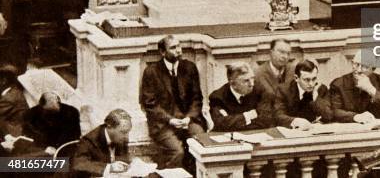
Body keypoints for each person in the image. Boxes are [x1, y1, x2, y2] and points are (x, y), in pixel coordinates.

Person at [139, 35, 208, 169]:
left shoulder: (189, 68)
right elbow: (150, 105)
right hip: (163, 124)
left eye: (179, 46)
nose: (178, 50)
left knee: (202, 145)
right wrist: (170, 120)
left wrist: (188, 118)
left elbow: (197, 98)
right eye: (173, 48)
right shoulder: (151, 72)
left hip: (188, 120)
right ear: (162, 52)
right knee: (177, 152)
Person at [329, 52, 380, 123]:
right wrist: (356, 117)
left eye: (365, 66)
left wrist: (371, 90)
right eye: (356, 64)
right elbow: (334, 111)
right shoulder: (338, 84)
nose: (359, 70)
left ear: (373, 69)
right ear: (352, 63)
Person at [209, 62, 272, 131]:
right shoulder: (217, 97)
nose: (252, 84)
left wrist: (235, 120)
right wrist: (249, 116)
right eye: (246, 81)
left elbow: (266, 120)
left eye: (252, 78)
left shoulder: (260, 91)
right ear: (233, 84)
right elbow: (220, 124)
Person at [72, 109, 131, 177]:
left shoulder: (121, 139)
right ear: (109, 126)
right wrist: (109, 167)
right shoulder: (89, 140)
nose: (126, 136)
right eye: (123, 132)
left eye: (128, 132)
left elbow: (123, 160)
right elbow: (79, 164)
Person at [274, 59, 333, 129]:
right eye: (306, 80)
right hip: (292, 133)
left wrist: (316, 98)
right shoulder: (283, 90)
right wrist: (296, 121)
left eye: (314, 79)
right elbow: (278, 116)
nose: (311, 84)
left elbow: (329, 116)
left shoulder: (321, 89)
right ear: (296, 78)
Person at [22, 92, 81, 157]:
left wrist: (58, 148)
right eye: (51, 100)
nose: (57, 101)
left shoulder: (71, 112)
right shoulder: (30, 114)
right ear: (43, 104)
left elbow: (74, 135)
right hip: (41, 151)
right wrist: (44, 147)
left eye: (57, 99)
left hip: (65, 150)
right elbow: (29, 134)